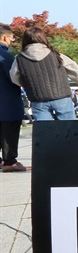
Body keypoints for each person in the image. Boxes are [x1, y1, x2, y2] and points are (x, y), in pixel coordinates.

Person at [10, 27, 78, 120]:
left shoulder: (19, 58)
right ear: (43, 38)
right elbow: (74, 69)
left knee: (45, 131)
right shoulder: (55, 54)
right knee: (69, 129)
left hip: (38, 99)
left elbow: (14, 76)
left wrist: (26, 84)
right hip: (61, 96)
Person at [0, 24, 26, 172]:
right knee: (9, 131)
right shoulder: (6, 56)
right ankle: (9, 161)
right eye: (11, 38)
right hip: (7, 101)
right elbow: (14, 77)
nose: (11, 41)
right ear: (5, 37)